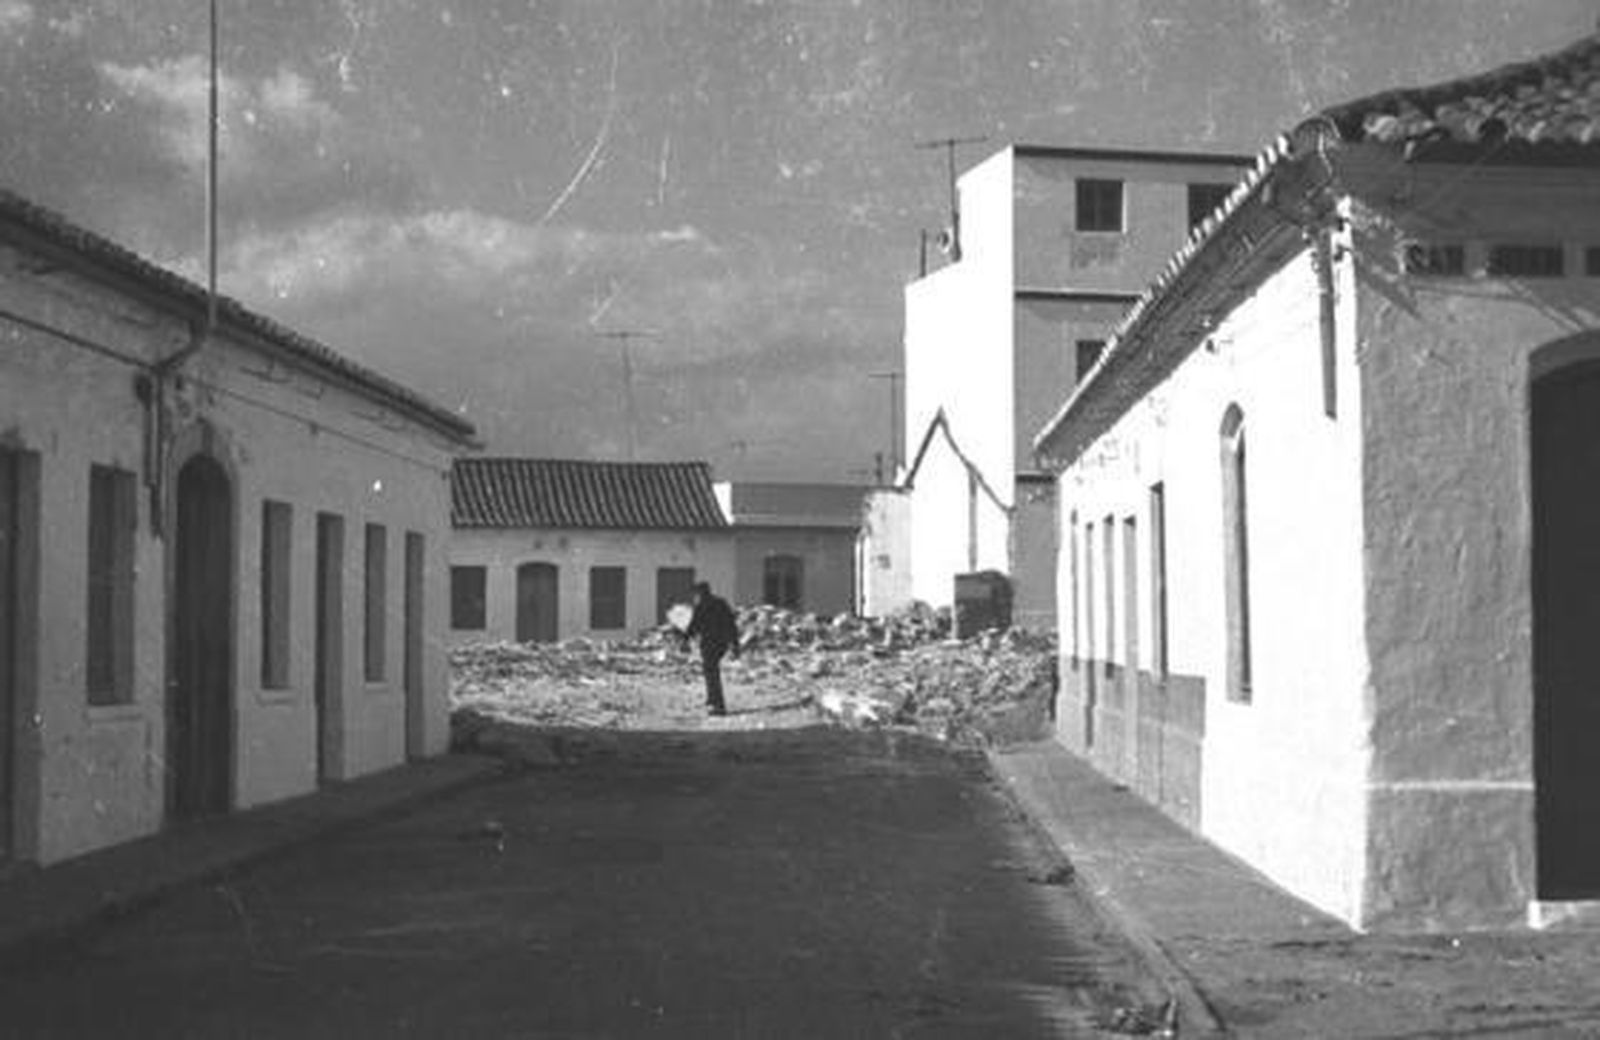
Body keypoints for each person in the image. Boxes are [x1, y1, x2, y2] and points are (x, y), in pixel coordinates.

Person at [684, 581, 740, 716]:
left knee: (711, 673)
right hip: (721, 644)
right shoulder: (721, 603)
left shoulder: (701, 606)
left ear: (700, 593)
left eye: (696, 594)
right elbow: (731, 625)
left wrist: (685, 639)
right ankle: (712, 699)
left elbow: (693, 626)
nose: (695, 596)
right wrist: (735, 645)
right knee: (711, 671)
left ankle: (718, 705)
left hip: (709, 644)